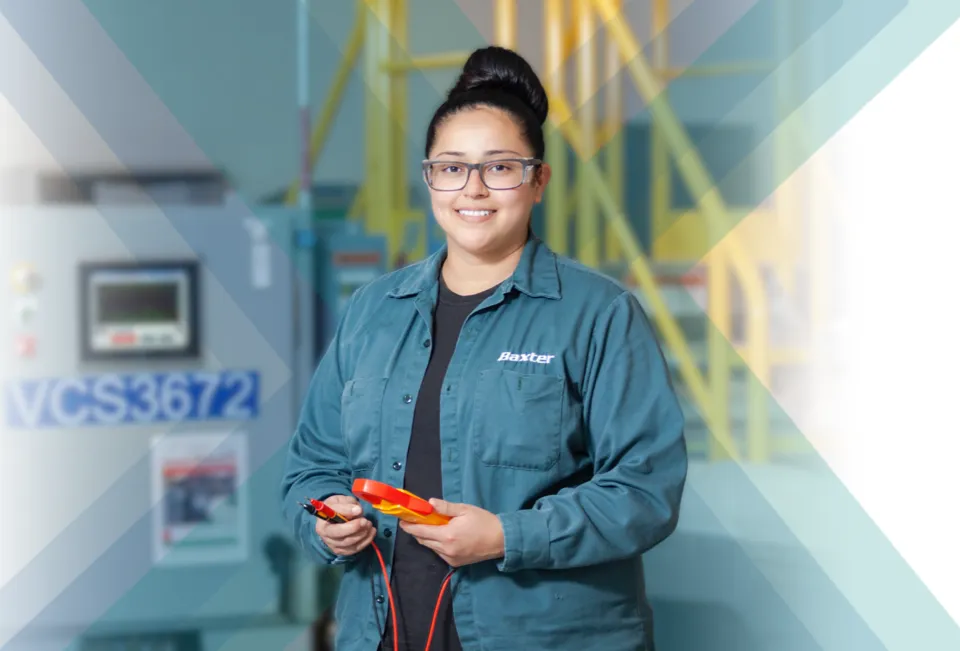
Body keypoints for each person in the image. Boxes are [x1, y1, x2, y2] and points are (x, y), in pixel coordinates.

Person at [281, 45, 687, 651]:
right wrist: (325, 519)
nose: (473, 188)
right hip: (387, 631)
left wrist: (506, 536)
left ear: (538, 180)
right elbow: (309, 466)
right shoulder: (373, 311)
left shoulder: (597, 313)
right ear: (429, 179)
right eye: (451, 167)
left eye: (500, 167)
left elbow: (644, 490)